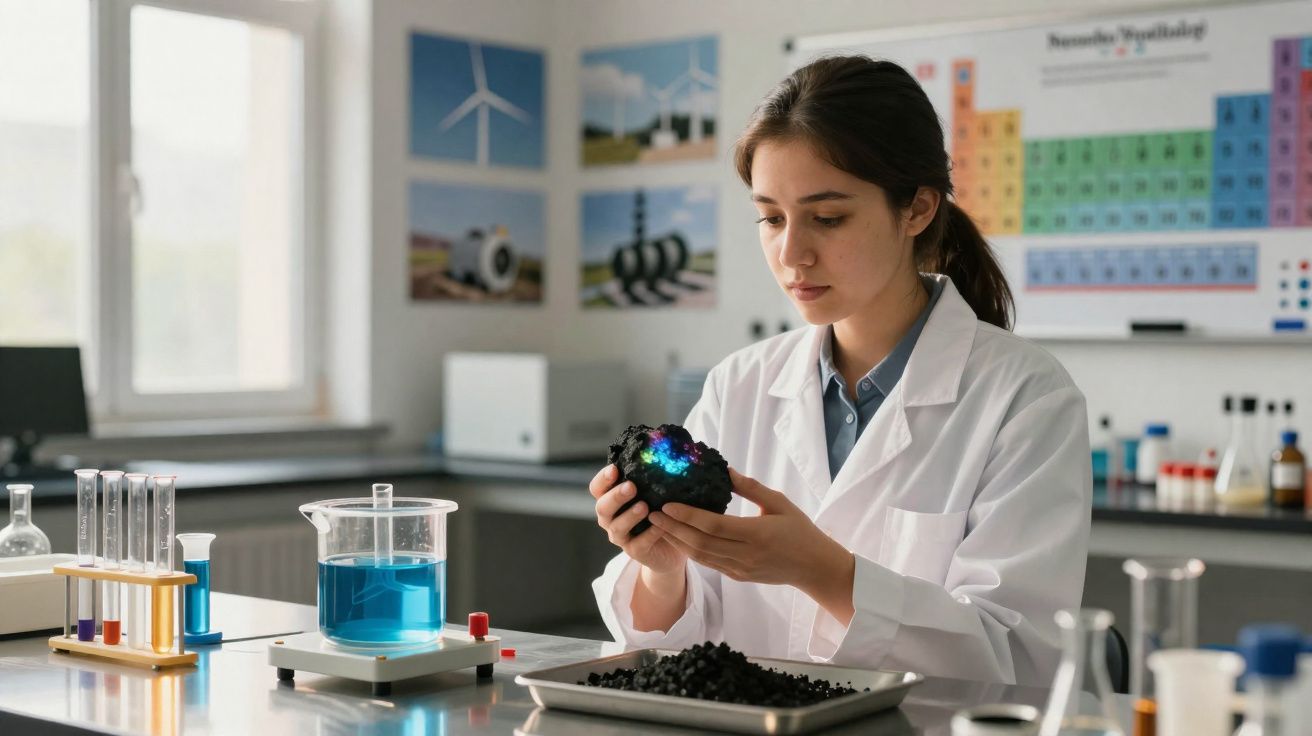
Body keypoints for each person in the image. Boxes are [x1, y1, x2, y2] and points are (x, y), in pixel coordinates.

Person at [588, 56, 1091, 686]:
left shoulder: (1025, 397)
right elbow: (676, 644)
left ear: (917, 210)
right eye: (771, 218)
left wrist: (825, 572)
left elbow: (1019, 660)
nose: (792, 253)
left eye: (827, 218)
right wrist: (665, 567)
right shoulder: (739, 384)